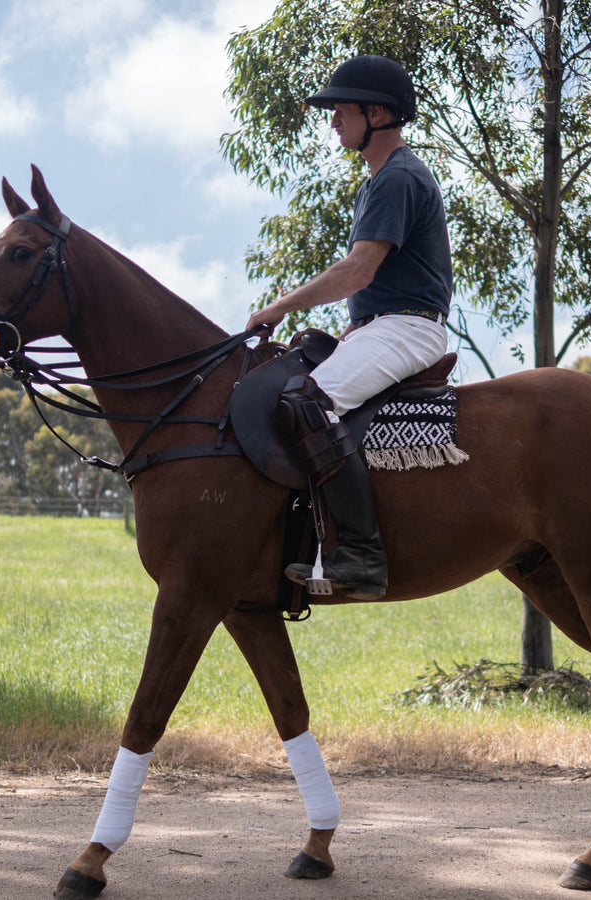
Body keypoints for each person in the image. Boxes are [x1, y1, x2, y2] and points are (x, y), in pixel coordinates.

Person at [246, 54, 454, 601]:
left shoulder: (398, 178)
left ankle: (360, 556)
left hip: (408, 328)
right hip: (379, 325)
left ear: (377, 113)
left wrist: (279, 306)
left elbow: (357, 269)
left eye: (341, 108)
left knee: (306, 403)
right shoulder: (380, 181)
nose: (332, 118)